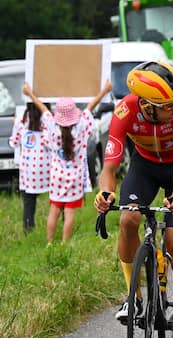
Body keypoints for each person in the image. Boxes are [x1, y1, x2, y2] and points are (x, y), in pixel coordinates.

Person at [93, 61, 173, 335]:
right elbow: (109, 167)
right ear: (147, 106)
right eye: (167, 105)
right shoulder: (125, 111)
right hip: (145, 166)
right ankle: (133, 299)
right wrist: (105, 193)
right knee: (129, 218)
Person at [23, 81, 112, 245]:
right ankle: (64, 243)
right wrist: (105, 90)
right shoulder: (81, 126)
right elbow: (90, 107)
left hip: (56, 177)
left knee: (54, 211)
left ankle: (49, 243)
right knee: (69, 212)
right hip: (75, 178)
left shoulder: (51, 125)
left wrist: (30, 93)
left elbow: (42, 108)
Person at [10, 100, 51, 232]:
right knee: (58, 201)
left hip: (28, 171)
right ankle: (61, 222)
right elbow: (50, 143)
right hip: (47, 169)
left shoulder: (20, 122)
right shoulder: (48, 122)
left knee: (28, 202)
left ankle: (28, 228)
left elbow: (14, 143)